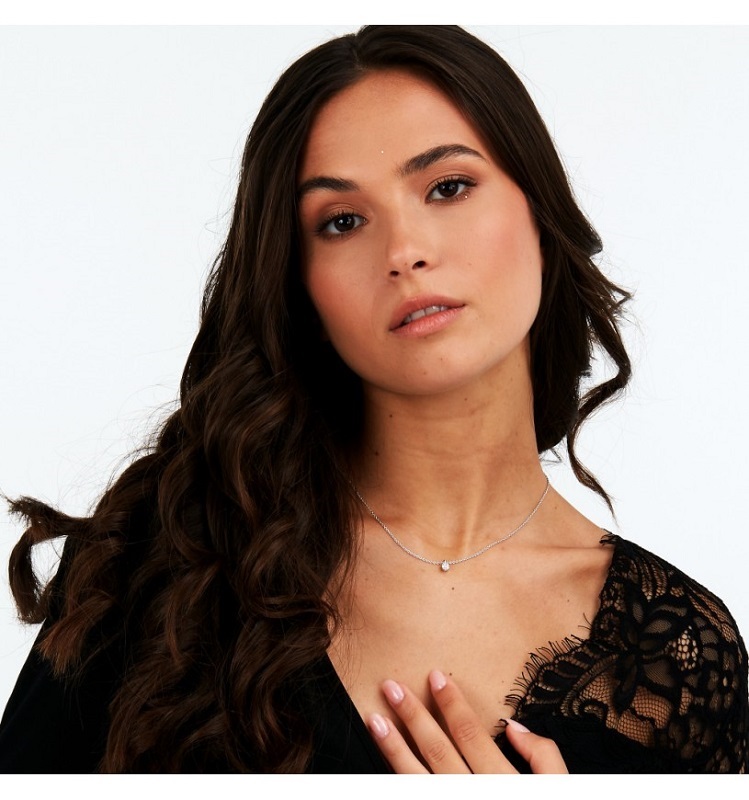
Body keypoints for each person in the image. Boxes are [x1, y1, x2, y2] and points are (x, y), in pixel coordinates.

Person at [0, 24, 746, 774]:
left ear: (539, 212)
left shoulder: (681, 655)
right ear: (299, 285)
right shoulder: (166, 563)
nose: (403, 251)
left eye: (447, 187)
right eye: (342, 222)